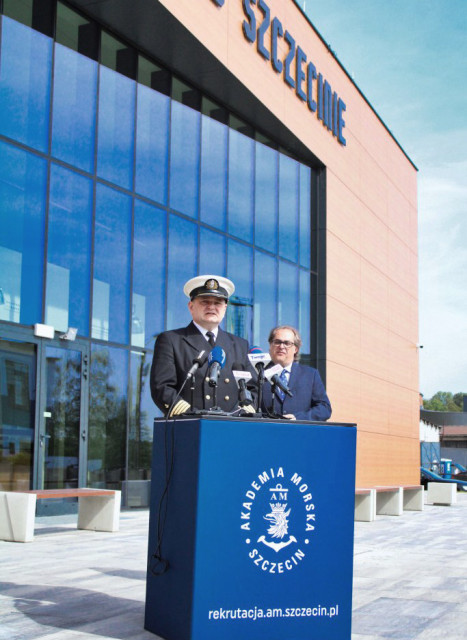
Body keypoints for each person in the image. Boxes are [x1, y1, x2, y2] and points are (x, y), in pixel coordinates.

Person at [150, 275, 256, 416]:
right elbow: (162, 387)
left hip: (232, 427)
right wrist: (192, 415)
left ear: (225, 308)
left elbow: (253, 387)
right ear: (191, 306)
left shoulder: (240, 345)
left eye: (217, 303)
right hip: (190, 426)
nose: (211, 307)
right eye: (205, 302)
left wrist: (240, 414)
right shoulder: (172, 340)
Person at [261, 325, 332, 421]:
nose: (281, 346)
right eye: (277, 342)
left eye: (287, 343)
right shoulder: (259, 373)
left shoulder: (310, 375)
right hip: (266, 432)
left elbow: (324, 408)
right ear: (270, 345)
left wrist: (299, 418)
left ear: (296, 349)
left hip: (299, 432)